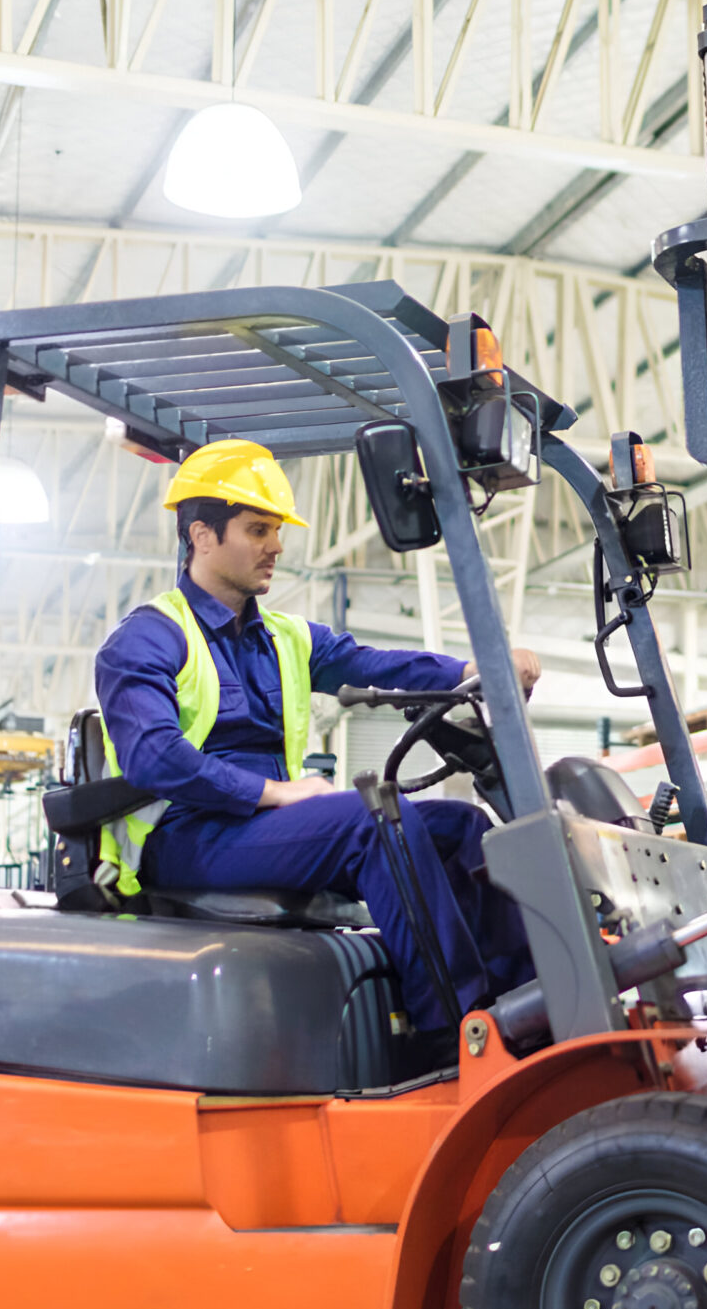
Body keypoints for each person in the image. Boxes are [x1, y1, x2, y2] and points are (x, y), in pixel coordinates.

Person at [92, 438, 540, 1033]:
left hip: (264, 828)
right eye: (257, 530)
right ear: (202, 535)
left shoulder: (287, 636)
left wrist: (469, 671)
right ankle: (457, 1029)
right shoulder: (148, 637)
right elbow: (153, 757)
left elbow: (375, 665)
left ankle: (528, 1008)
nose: (276, 546)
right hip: (189, 833)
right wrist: (272, 793)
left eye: (276, 530)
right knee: (374, 820)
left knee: (464, 829)